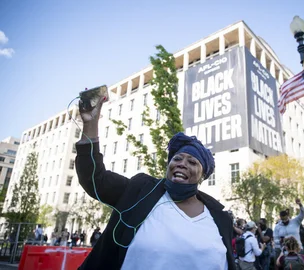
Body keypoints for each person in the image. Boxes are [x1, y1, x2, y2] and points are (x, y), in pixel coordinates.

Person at [75, 96, 235, 270]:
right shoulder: (140, 190)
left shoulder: (220, 218)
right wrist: (90, 124)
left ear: (203, 175)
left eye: (192, 162)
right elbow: (95, 179)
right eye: (177, 158)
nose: (182, 163)